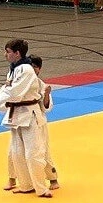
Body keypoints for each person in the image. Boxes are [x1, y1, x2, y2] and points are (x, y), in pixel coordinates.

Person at [0, 40, 53, 197]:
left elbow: (14, 93)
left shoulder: (26, 70)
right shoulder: (14, 69)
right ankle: (26, 185)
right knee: (17, 153)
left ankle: (41, 188)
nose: (5, 55)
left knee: (33, 153)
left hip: (30, 114)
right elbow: (7, 90)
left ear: (17, 53)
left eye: (8, 51)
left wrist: (0, 101)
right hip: (16, 114)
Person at [28, 55, 61, 192]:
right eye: (30, 66)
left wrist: (46, 94)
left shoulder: (42, 85)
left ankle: (53, 178)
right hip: (23, 120)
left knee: (43, 150)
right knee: (22, 152)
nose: (32, 69)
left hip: (38, 120)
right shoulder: (21, 83)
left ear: (39, 69)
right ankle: (25, 180)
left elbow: (46, 107)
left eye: (35, 67)